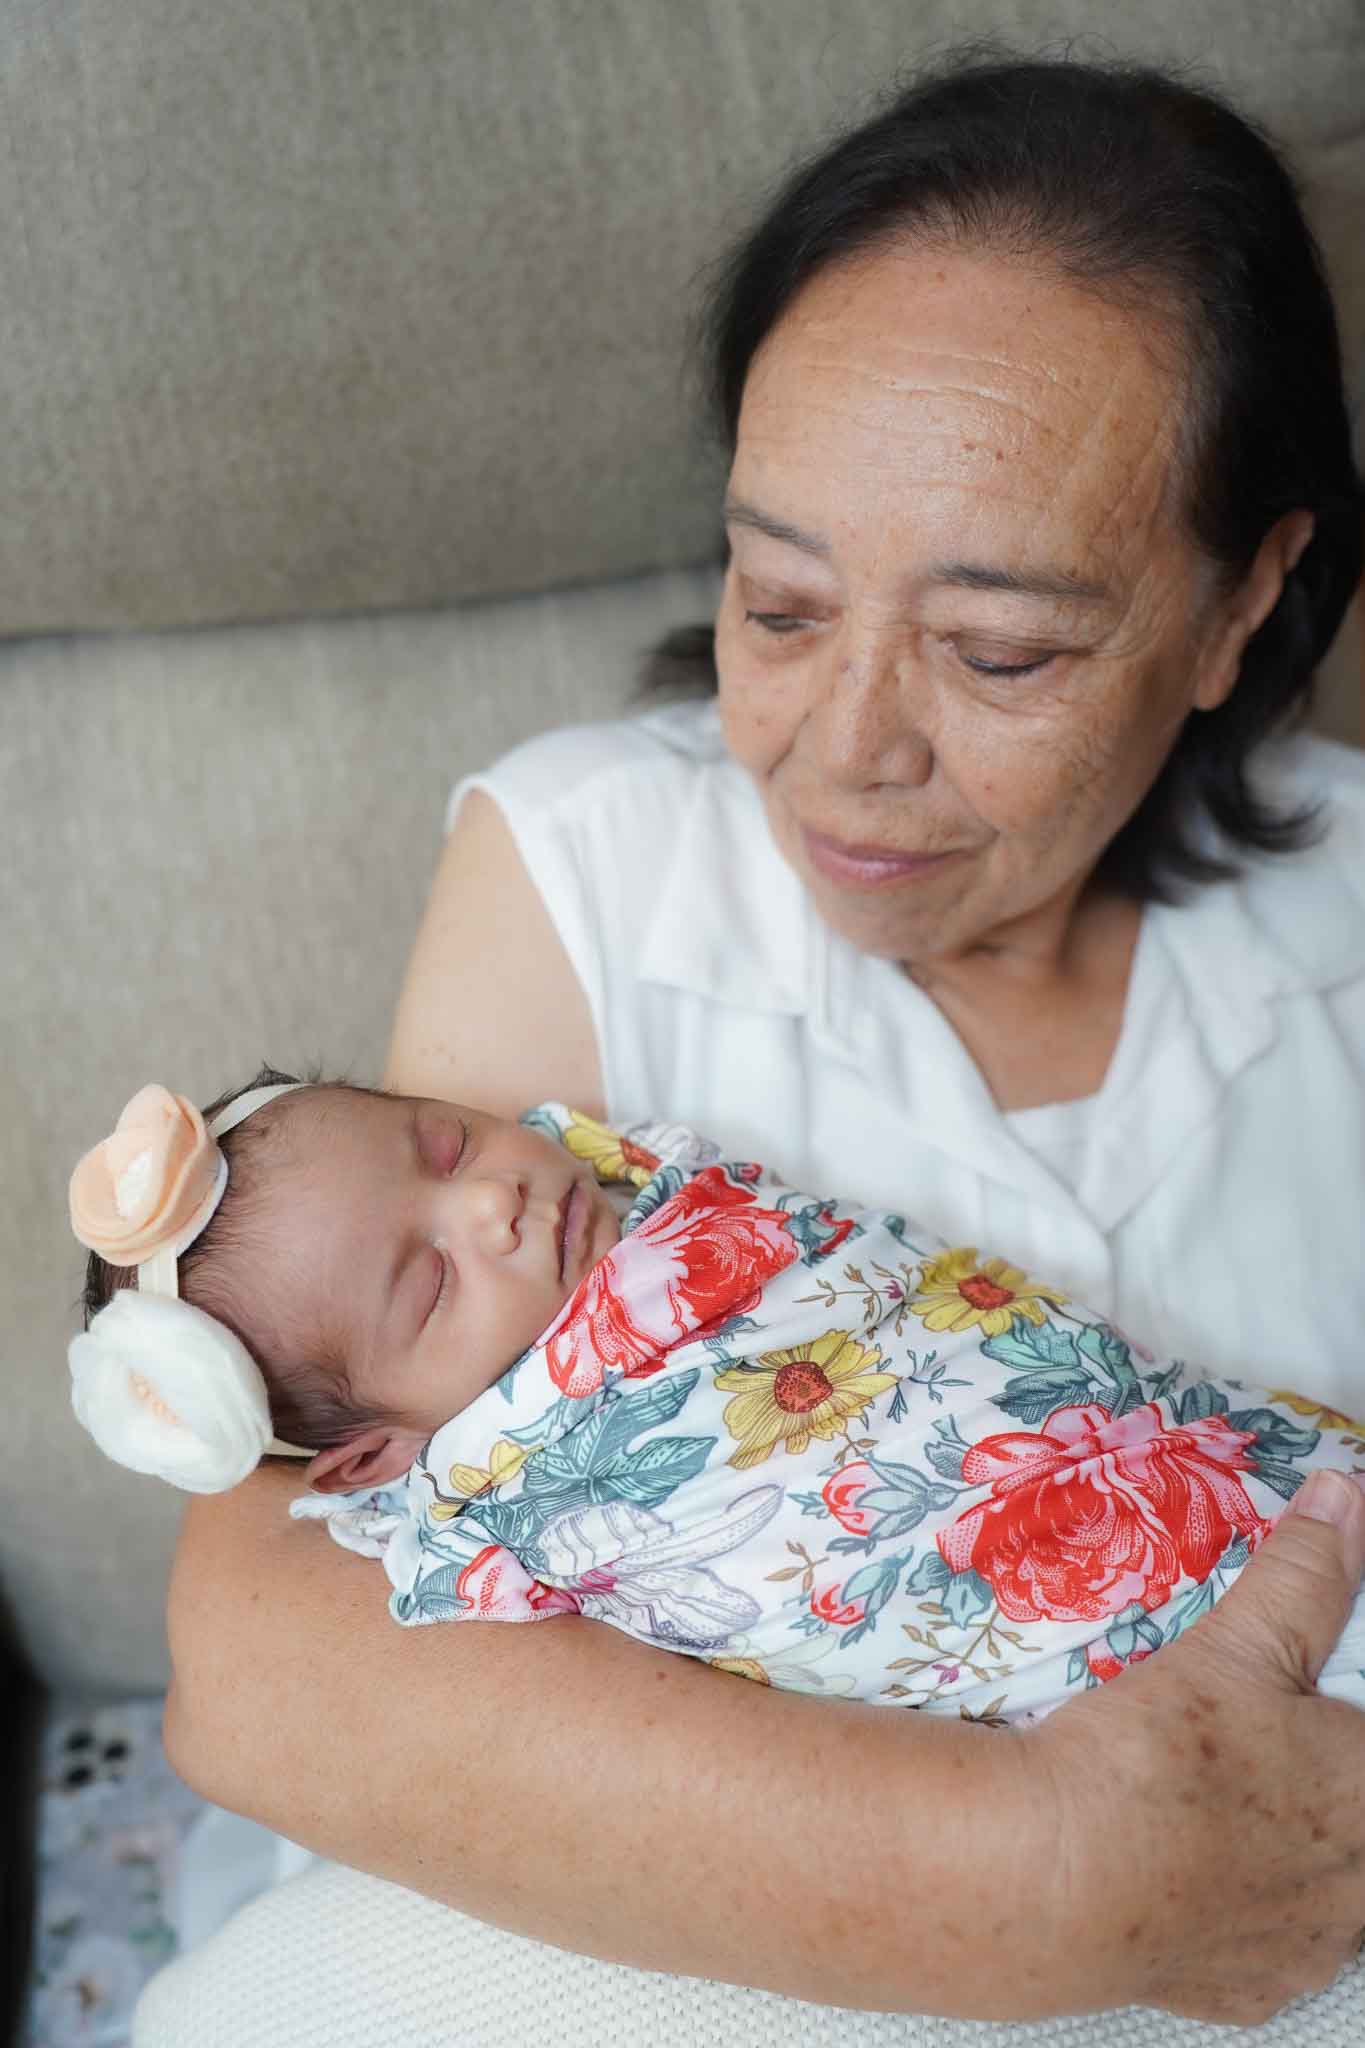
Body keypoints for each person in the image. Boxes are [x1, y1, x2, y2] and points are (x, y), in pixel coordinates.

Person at [161, 52, 1365, 2027]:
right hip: (760, 1906)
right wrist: (1040, 1883)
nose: (843, 749)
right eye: (778, 598)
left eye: (998, 652)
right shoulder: (590, 860)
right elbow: (282, 1631)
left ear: (1240, 601)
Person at [71, 1074, 1365, 1725]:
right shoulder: (488, 1500)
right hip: (1125, 1655)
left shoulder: (641, 1183)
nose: (491, 1203)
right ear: (371, 1457)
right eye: (427, 1283)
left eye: (442, 1144)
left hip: (1208, 1450)